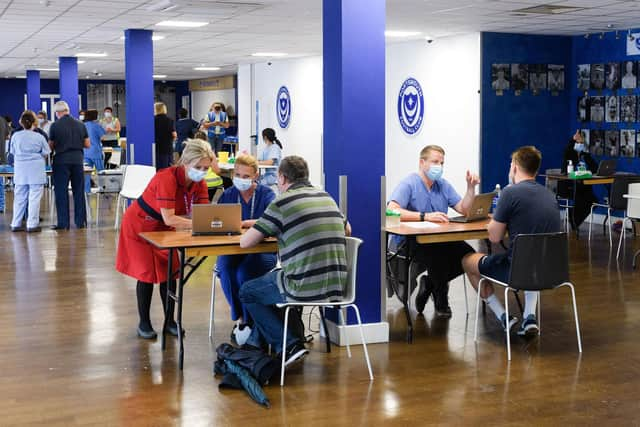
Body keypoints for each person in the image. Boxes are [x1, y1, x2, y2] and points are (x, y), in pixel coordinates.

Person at [239, 156, 350, 364]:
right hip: (336, 286)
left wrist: (269, 227)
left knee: (248, 291)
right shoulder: (326, 196)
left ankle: (289, 344)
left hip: (302, 286)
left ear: (281, 178)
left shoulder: (281, 202)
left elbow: (246, 243)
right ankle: (257, 344)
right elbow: (347, 229)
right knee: (270, 283)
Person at [116, 139, 214, 339]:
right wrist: (199, 224)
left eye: (206, 168)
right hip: (140, 224)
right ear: (185, 162)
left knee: (170, 272)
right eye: (198, 167)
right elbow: (172, 217)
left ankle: (170, 321)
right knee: (146, 274)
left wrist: (208, 223)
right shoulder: (166, 178)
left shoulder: (200, 183)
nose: (202, 172)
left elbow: (202, 214)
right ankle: (144, 322)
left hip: (165, 228)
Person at [462, 146, 562, 336]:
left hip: (516, 271)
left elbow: (494, 237)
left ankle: (503, 317)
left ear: (515, 167)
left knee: (468, 261)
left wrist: (498, 217)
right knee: (532, 257)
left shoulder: (510, 193)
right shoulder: (549, 195)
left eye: (510, 165)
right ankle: (529, 316)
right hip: (551, 271)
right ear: (536, 170)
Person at [387, 145, 480, 317]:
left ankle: (430, 283)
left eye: (442, 163)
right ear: (422, 163)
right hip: (411, 242)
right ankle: (441, 298)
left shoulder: (442, 185)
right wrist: (425, 216)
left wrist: (470, 188)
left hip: (440, 238)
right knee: (438, 255)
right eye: (435, 162)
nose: (439, 166)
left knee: (468, 254)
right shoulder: (409, 183)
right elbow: (391, 210)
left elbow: (464, 209)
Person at [217, 154, 277, 345]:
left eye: (246, 176)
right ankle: (241, 317)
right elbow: (218, 220)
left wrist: (244, 223)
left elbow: (273, 221)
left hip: (262, 251)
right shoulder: (228, 195)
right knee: (224, 268)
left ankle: (250, 320)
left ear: (256, 176)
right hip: (234, 249)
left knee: (244, 273)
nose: (241, 180)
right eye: (238, 175)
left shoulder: (267, 195)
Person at [48, 100, 90, 230]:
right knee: (78, 191)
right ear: (67, 110)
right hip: (77, 160)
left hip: (61, 161)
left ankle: (63, 223)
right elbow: (87, 144)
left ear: (57, 112)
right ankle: (80, 222)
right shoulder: (80, 124)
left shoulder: (54, 126)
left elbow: (50, 146)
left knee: (61, 192)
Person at [8, 110, 50, 232]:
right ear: (34, 123)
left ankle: (15, 223)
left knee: (19, 197)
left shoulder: (15, 136)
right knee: (34, 198)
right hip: (35, 170)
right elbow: (46, 152)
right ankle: (32, 224)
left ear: (21, 122)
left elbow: (12, 152)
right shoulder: (39, 136)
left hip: (20, 170)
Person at [560, 130, 598, 230]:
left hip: (582, 185)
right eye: (579, 143)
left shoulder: (584, 155)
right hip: (569, 185)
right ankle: (574, 220)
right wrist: (573, 140)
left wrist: (586, 153)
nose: (580, 145)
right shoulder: (569, 154)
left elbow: (594, 168)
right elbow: (566, 152)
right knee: (582, 198)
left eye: (582, 143)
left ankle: (573, 217)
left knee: (593, 200)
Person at [83, 109, 106, 193]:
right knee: (101, 172)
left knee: (86, 173)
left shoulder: (82, 125)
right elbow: (103, 137)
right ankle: (103, 189)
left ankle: (86, 190)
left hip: (85, 152)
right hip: (95, 152)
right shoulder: (96, 125)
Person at [154, 102, 177, 170]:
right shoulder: (169, 120)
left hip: (157, 148)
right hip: (168, 148)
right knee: (168, 168)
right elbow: (174, 134)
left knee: (158, 169)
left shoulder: (152, 120)